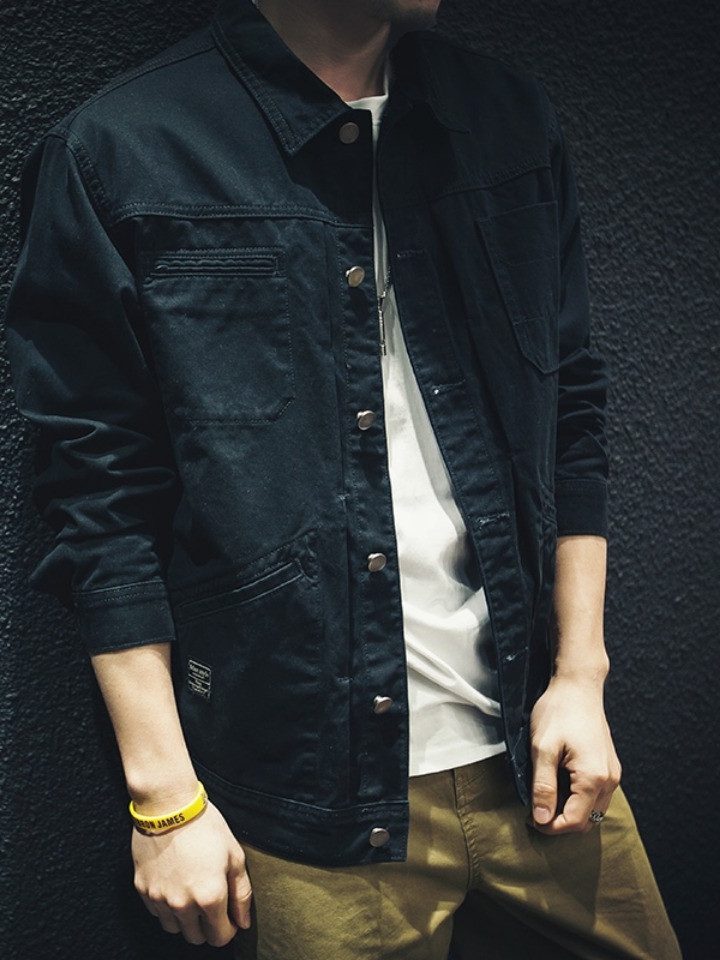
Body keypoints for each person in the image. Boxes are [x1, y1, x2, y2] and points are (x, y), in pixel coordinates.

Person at [5, 1, 682, 957]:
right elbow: (98, 497)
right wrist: (163, 800)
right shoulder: (119, 152)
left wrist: (581, 676)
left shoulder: (506, 118)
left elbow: (569, 405)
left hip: (539, 753)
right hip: (309, 801)